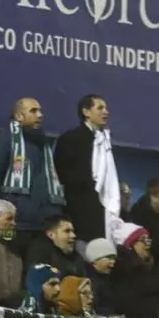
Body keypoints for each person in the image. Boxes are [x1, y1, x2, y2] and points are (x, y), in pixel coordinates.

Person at [0, 96, 63, 255]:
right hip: (15, 224)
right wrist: (12, 203)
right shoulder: (4, 140)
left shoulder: (43, 144)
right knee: (10, 264)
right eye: (33, 111)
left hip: (41, 227)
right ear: (19, 116)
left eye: (40, 111)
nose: (40, 115)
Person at [53, 94, 118, 243]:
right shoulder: (70, 139)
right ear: (86, 112)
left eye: (106, 108)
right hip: (79, 210)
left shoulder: (104, 141)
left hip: (101, 210)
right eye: (100, 108)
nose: (106, 112)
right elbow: (62, 173)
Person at [110, 223, 159, 318]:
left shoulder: (155, 266)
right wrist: (154, 312)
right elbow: (127, 302)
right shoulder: (123, 268)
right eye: (143, 240)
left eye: (148, 239)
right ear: (130, 244)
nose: (148, 243)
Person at [25, 215, 86, 280]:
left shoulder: (77, 258)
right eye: (67, 231)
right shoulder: (38, 255)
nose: (73, 235)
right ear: (51, 235)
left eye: (73, 231)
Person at [84, 238, 117, 316]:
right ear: (95, 260)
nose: (113, 262)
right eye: (109, 258)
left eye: (114, 258)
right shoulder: (88, 281)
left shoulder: (108, 279)